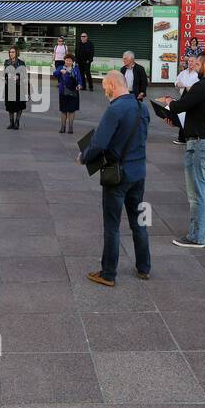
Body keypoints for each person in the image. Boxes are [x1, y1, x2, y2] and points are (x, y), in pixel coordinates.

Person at [79, 70, 151, 287]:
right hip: (139, 172)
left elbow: (99, 144)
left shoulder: (115, 109)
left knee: (112, 225)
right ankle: (144, 268)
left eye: (104, 87)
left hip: (118, 175)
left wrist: (84, 156)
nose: (104, 91)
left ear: (112, 84)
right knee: (139, 222)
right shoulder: (142, 107)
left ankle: (108, 273)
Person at [162, 52, 205, 247]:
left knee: (197, 192)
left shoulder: (203, 86)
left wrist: (168, 102)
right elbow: (204, 113)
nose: (195, 67)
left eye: (197, 64)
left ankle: (196, 237)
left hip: (201, 144)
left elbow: (180, 105)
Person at [54, 53, 83, 134]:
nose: (68, 62)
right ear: (64, 61)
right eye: (66, 60)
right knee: (63, 110)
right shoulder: (61, 67)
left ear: (72, 62)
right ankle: (63, 127)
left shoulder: (76, 69)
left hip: (74, 91)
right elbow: (54, 74)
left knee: (72, 110)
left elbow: (80, 79)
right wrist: (60, 71)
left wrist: (80, 85)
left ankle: (70, 127)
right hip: (63, 92)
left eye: (70, 61)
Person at [3, 46, 27, 129]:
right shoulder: (6, 62)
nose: (11, 54)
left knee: (19, 105)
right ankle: (11, 122)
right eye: (10, 52)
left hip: (18, 86)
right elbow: (4, 73)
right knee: (10, 105)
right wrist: (6, 77)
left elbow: (24, 74)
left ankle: (17, 122)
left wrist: (18, 77)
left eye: (13, 52)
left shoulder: (21, 63)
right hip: (9, 86)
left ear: (16, 53)